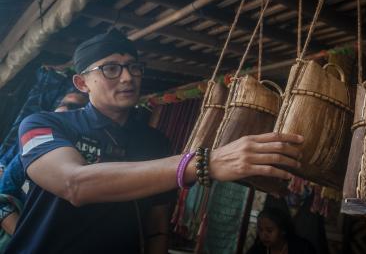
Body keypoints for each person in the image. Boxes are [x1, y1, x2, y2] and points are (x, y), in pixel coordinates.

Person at [5, 29, 303, 254]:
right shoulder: (45, 124)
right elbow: (74, 184)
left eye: (134, 67)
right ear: (82, 83)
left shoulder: (155, 141)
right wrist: (204, 162)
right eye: (110, 68)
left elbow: (156, 223)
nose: (127, 78)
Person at [0, 91, 88, 252]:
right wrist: (27, 239)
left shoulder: (90, 160)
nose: (66, 110)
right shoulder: (29, 149)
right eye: (63, 104)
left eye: (75, 107)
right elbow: (2, 199)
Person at [247, 207, 316, 254]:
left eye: (269, 230)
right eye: (260, 230)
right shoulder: (258, 249)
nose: (263, 235)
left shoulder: (302, 248)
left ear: (283, 230)